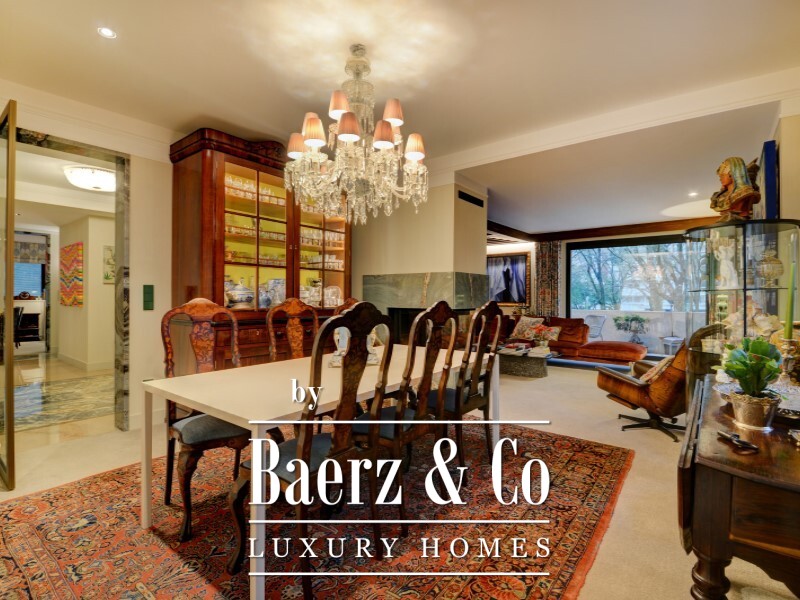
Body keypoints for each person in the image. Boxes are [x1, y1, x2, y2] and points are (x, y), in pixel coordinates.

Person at [710, 156, 761, 221]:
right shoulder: (720, 196)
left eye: (722, 175)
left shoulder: (745, 193)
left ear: (732, 174)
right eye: (720, 176)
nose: (720, 179)